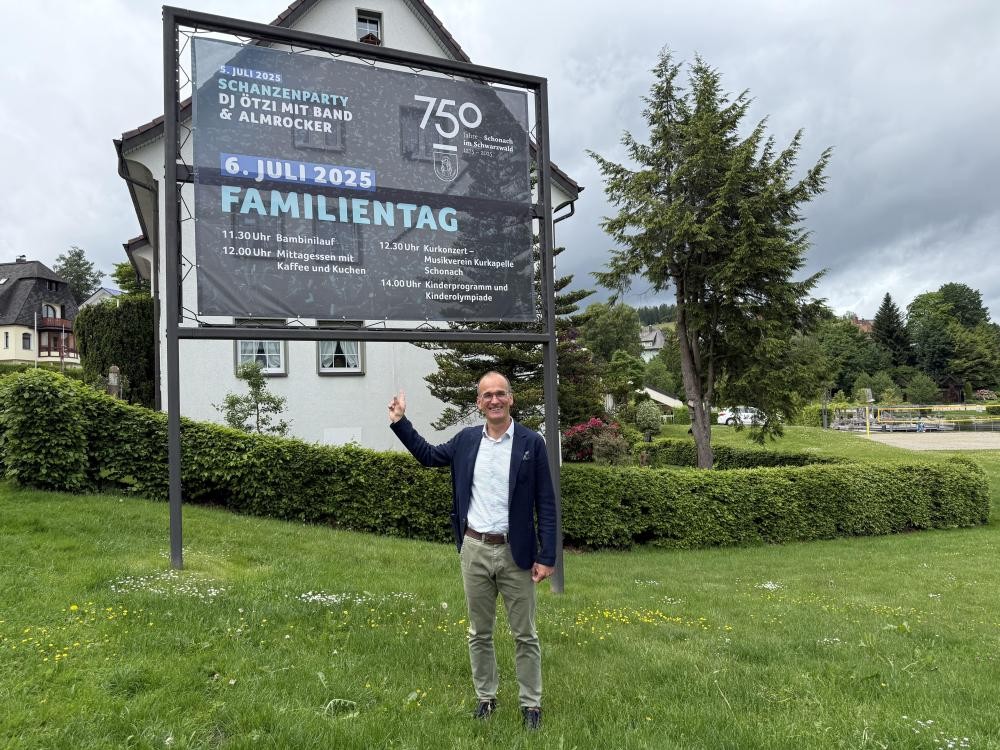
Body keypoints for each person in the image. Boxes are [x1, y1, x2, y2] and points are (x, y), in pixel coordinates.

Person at [387, 371, 557, 730]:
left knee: (525, 634)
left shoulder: (531, 443)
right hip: (475, 549)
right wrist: (401, 423)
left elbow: (546, 501)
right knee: (479, 632)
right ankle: (486, 698)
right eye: (486, 396)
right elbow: (430, 456)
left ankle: (531, 705)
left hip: (517, 553)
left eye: (500, 394)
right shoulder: (466, 441)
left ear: (511, 399)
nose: (494, 400)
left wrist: (548, 556)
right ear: (479, 403)